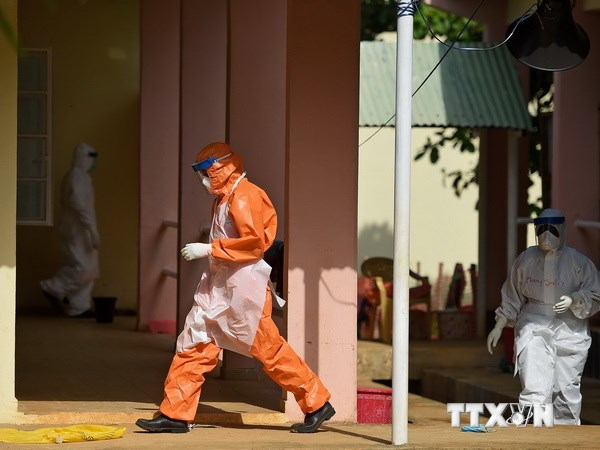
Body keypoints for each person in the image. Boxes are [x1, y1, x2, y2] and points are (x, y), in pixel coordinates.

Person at [136, 142, 335, 434]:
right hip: (221, 286)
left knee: (269, 351)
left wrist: (209, 249)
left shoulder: (245, 196)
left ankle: (317, 403)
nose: (203, 179)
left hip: (245, 289)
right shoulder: (225, 197)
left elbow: (255, 243)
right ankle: (175, 414)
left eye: (207, 172)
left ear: (224, 167)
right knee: (193, 342)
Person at [487, 208, 600, 424]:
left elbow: (595, 292)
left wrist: (575, 299)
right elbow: (513, 295)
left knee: (566, 389)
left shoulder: (577, 262)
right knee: (534, 378)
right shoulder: (526, 260)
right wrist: (499, 324)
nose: (546, 234)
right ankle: (533, 429)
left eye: (552, 229)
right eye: (542, 228)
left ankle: (564, 435)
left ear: (562, 230)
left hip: (570, 330)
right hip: (534, 323)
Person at [40, 142, 99, 318]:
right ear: (83, 158)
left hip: (77, 228)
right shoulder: (78, 177)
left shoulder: (77, 176)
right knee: (84, 267)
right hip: (78, 229)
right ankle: (53, 287)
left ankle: (78, 305)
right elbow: (79, 206)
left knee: (86, 266)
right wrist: (91, 229)